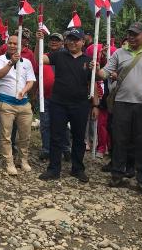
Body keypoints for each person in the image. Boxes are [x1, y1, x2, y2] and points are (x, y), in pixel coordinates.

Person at [97, 22, 142, 195]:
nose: (132, 37)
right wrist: (97, 70)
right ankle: (117, 174)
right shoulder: (119, 53)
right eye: (130, 34)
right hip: (122, 103)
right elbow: (105, 72)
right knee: (120, 139)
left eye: (135, 34)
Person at [37, 28, 97, 183]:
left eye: (76, 39)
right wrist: (39, 41)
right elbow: (40, 59)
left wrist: (95, 104)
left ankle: (77, 169)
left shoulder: (89, 60)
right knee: (56, 136)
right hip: (59, 103)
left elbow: (95, 82)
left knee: (78, 138)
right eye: (69, 39)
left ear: (83, 42)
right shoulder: (59, 55)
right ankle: (53, 169)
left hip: (80, 104)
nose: (72, 42)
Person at [0, 34, 36, 175]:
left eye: (15, 44)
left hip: (23, 103)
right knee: (6, 134)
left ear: (21, 46)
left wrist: (24, 90)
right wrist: (11, 62)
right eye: (10, 43)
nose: (12, 45)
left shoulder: (27, 62)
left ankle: (22, 159)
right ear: (6, 44)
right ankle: (9, 161)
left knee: (25, 134)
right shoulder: (0, 59)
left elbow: (30, 81)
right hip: (6, 103)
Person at [37, 33, 63, 161]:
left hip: (61, 98)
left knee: (62, 125)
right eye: (52, 40)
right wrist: (38, 41)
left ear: (62, 43)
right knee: (45, 124)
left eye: (57, 40)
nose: (54, 42)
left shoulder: (66, 56)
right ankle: (46, 149)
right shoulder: (45, 56)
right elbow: (37, 59)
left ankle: (66, 148)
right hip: (44, 97)